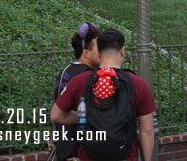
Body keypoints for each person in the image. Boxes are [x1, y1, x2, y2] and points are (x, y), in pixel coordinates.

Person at [51, 30, 156, 161]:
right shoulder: (138, 83)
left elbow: (56, 115)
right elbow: (147, 130)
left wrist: (87, 115)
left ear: (99, 52)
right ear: (123, 50)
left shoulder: (80, 80)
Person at [53, 22, 101, 161]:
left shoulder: (67, 70)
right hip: (79, 151)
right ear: (86, 52)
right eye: (99, 47)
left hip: (64, 148)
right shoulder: (88, 77)